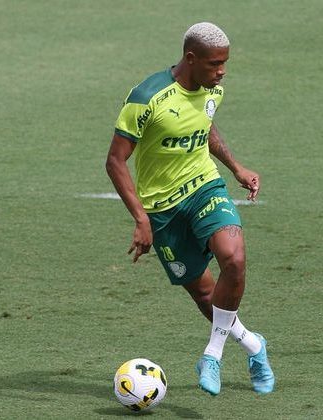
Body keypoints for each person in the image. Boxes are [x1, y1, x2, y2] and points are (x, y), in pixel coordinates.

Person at [106, 22, 275, 396]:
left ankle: (212, 354)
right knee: (205, 295)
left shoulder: (213, 89)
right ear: (191, 58)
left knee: (234, 259)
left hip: (204, 187)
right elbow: (115, 161)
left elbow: (205, 125)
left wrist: (235, 167)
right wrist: (141, 219)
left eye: (225, 63)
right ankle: (253, 345)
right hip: (162, 209)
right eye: (215, 64)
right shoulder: (147, 98)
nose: (222, 71)